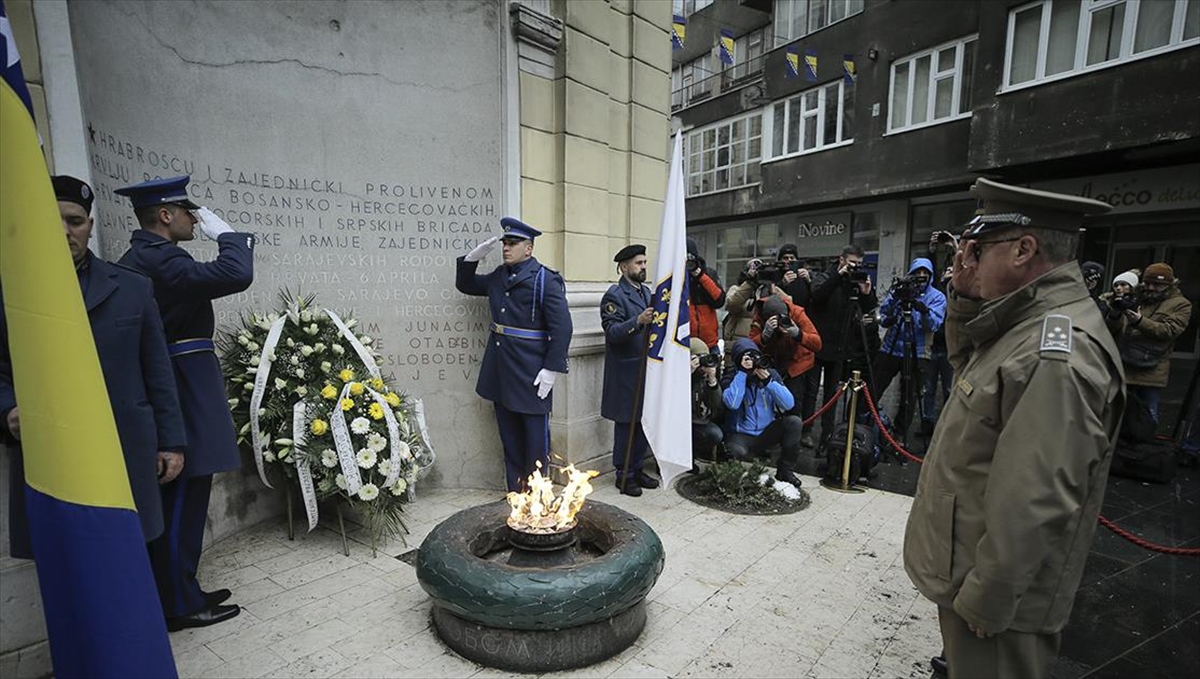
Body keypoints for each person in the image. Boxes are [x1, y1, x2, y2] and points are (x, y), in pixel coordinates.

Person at [903, 177, 1123, 679]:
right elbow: (969, 372)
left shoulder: (1056, 352)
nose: (966, 259)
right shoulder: (1023, 323)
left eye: (978, 248)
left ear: (1025, 249)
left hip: (998, 603)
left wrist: (989, 597)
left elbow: (1037, 494)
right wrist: (962, 297)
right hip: (971, 569)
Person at [1, 175, 187, 559]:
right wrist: (8, 409)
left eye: (74, 221)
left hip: (124, 450)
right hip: (51, 455)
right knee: (65, 557)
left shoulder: (133, 288)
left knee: (127, 551)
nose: (65, 231)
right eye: (52, 221)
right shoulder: (10, 292)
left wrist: (170, 442)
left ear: (89, 225)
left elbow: (157, 372)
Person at [116, 175, 254, 631]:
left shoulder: (149, 257)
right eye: (188, 212)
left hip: (184, 377)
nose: (195, 219)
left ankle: (182, 587)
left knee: (189, 491)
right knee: (181, 493)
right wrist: (229, 235)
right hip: (180, 381)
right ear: (165, 215)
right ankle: (176, 602)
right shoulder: (159, 258)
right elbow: (237, 273)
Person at [455, 218, 572, 492]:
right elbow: (467, 285)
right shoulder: (498, 276)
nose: (506, 248)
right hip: (500, 369)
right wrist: (472, 259)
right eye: (505, 243)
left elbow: (562, 327)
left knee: (534, 441)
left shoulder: (545, 279)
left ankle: (537, 497)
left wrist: (552, 369)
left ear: (528, 249)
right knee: (509, 439)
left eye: (513, 243)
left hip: (531, 371)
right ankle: (516, 495)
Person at [806, 244, 878, 449]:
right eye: (852, 262)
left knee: (832, 393)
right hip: (818, 344)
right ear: (842, 259)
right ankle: (807, 430)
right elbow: (818, 295)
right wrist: (838, 276)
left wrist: (866, 292)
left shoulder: (854, 282)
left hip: (840, 346)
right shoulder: (825, 276)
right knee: (811, 391)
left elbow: (867, 308)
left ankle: (827, 437)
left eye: (859, 264)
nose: (855, 267)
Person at [599, 244, 658, 496]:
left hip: (646, 371)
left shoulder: (646, 292)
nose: (643, 267)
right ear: (624, 268)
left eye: (644, 262)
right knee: (626, 426)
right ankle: (623, 475)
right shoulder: (615, 296)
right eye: (638, 263)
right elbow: (612, 333)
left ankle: (637, 467)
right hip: (625, 373)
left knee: (642, 424)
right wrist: (638, 321)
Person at [1106, 262, 1192, 425]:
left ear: (1169, 285)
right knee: (1116, 413)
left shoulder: (1181, 304)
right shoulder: (1136, 297)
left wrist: (1140, 321)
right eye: (1148, 283)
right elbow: (1113, 330)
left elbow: (1169, 331)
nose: (1151, 288)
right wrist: (1114, 315)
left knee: (1148, 415)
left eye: (1157, 284)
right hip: (1123, 365)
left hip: (1151, 370)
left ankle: (1146, 448)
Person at [872, 257, 947, 443]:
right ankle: (864, 422)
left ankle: (899, 434)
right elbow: (885, 312)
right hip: (891, 346)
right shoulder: (902, 289)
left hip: (918, 351)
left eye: (925, 274)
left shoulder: (937, 297)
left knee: (910, 395)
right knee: (874, 386)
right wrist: (897, 296)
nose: (921, 277)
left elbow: (934, 325)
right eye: (917, 273)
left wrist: (924, 311)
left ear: (930, 276)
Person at [721, 338, 804, 487]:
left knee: (794, 422)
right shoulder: (732, 375)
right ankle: (733, 475)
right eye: (746, 358)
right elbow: (732, 404)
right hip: (740, 436)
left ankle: (785, 470)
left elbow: (788, 404)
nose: (752, 362)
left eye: (754, 357)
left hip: (766, 432)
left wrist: (768, 382)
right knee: (734, 451)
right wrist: (742, 373)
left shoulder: (769, 374)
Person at [749, 295, 822, 424]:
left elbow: (817, 344)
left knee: (794, 401)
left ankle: (799, 430)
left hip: (797, 363)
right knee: (769, 399)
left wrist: (798, 334)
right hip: (772, 361)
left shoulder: (797, 313)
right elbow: (749, 346)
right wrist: (764, 336)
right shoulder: (760, 316)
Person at [722, 259, 790, 369]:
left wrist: (776, 288)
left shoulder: (772, 290)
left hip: (764, 346)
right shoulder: (737, 289)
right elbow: (732, 305)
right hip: (738, 347)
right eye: (754, 268)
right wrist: (749, 283)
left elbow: (789, 306)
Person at [920, 266, 955, 437]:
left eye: (953, 270)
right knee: (928, 388)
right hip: (933, 346)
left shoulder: (960, 293)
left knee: (949, 388)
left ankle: (947, 426)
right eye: (947, 270)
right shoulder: (936, 293)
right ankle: (927, 423)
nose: (950, 273)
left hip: (950, 348)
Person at [686, 238, 725, 353]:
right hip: (686, 343)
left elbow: (719, 300)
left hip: (710, 343)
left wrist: (700, 276)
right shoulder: (675, 276)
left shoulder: (708, 273)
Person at [690, 338, 724, 463]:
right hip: (678, 423)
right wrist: (688, 373)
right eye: (697, 357)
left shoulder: (704, 377)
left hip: (699, 421)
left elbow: (715, 404)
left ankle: (693, 454)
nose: (702, 361)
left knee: (715, 434)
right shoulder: (677, 373)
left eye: (705, 356)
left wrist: (712, 380)